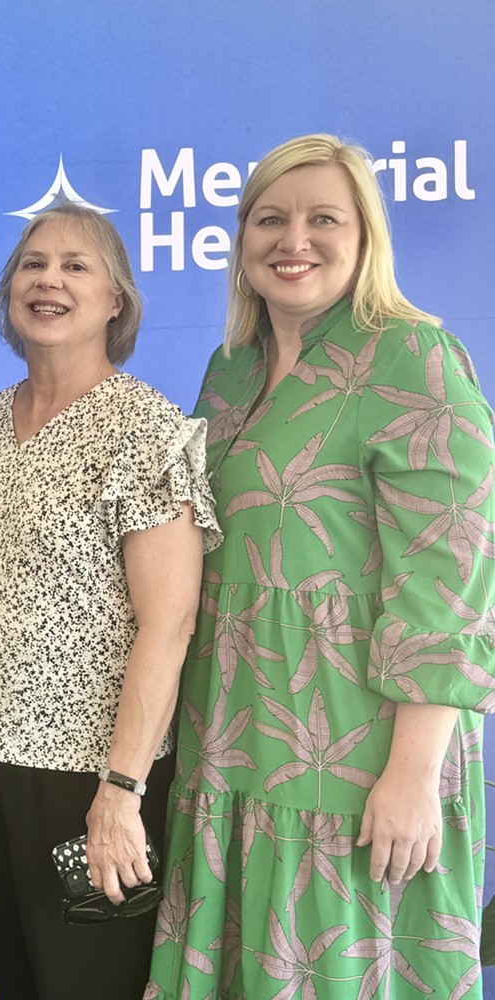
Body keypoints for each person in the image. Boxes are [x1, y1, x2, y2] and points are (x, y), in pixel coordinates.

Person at [145, 134, 495, 998]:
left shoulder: (414, 358)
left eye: (322, 219)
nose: (292, 239)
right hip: (232, 738)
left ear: (365, 235)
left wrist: (412, 775)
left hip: (358, 749)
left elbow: (451, 583)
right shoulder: (228, 372)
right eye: (270, 218)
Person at [0, 203, 221, 1000]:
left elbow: (170, 627)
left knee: (89, 984)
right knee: (16, 980)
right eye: (33, 264)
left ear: (115, 301)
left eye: (75, 266)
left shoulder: (147, 430)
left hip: (88, 778)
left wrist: (122, 792)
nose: (49, 281)